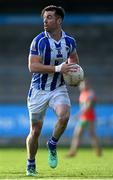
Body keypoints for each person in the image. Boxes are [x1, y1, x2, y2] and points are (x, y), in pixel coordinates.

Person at [26, 5, 80, 176]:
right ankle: (31, 163)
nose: (45, 20)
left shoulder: (69, 41)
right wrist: (59, 69)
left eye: (49, 17)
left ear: (59, 20)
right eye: (44, 17)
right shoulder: (39, 41)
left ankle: (52, 143)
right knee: (35, 131)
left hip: (58, 88)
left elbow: (74, 62)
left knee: (64, 116)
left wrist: (75, 75)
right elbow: (32, 66)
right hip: (38, 90)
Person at [66, 79, 102, 157]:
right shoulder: (82, 93)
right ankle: (73, 152)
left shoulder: (90, 93)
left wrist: (77, 115)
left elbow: (88, 107)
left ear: (87, 85)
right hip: (83, 118)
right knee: (77, 134)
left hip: (90, 118)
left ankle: (99, 152)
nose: (81, 86)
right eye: (81, 85)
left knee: (92, 135)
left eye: (83, 84)